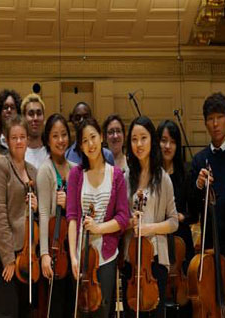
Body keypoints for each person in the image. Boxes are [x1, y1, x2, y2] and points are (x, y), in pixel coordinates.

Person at [66, 117, 130, 318]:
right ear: (81, 147)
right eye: (84, 140)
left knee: (102, 311)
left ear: (101, 137)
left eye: (93, 137)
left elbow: (123, 218)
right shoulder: (76, 174)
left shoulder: (116, 175)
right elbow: (72, 217)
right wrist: (73, 257)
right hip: (81, 254)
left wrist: (98, 228)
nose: (90, 143)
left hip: (107, 256)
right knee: (82, 310)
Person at [190, 92, 225, 317]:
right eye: (210, 119)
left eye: (219, 117)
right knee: (211, 301)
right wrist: (199, 185)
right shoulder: (199, 160)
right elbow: (193, 206)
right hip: (210, 241)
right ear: (205, 122)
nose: (215, 124)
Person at [120, 116, 177, 318]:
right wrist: (129, 223)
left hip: (156, 258)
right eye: (134, 139)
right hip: (131, 258)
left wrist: (149, 228)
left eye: (143, 138)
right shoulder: (125, 178)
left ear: (151, 140)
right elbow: (119, 220)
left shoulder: (163, 178)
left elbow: (173, 222)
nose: (139, 144)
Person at [0, 115, 38, 318]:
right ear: (6, 140)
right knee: (8, 311)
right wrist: (8, 259)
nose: (19, 141)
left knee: (25, 311)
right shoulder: (1, 166)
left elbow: (40, 214)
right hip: (3, 254)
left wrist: (36, 206)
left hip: (27, 254)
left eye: (22, 137)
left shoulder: (33, 171)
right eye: (14, 137)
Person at [36, 113, 75, 318]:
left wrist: (69, 204)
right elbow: (43, 213)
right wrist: (44, 254)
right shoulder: (45, 171)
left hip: (72, 248)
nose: (61, 140)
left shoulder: (76, 170)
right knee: (55, 307)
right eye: (55, 136)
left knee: (71, 306)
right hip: (55, 248)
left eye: (64, 135)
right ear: (47, 140)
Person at [156, 120, 195, 273]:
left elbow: (194, 213)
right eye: (163, 141)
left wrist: (180, 217)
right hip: (158, 238)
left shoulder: (185, 173)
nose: (167, 146)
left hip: (181, 239)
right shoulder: (152, 175)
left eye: (172, 142)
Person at [21, 93, 48, 170]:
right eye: (31, 114)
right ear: (23, 118)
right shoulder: (18, 152)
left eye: (39, 113)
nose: (35, 118)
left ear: (43, 118)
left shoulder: (51, 152)